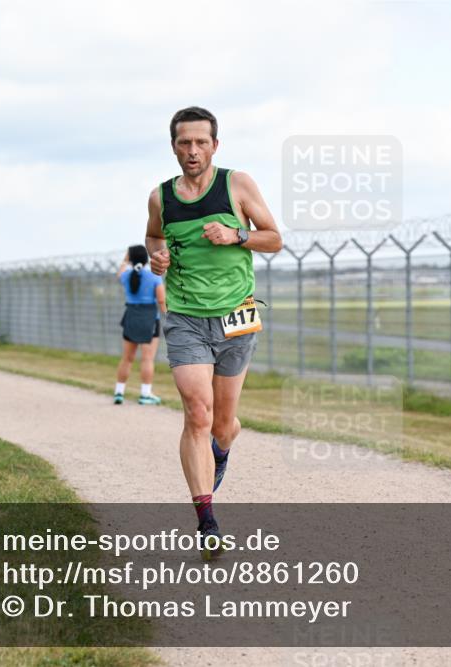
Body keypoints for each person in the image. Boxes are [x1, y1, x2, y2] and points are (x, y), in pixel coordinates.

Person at [146, 106, 282, 557]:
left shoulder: (236, 185)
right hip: (184, 316)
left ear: (214, 146)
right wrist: (158, 257)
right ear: (173, 147)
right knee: (197, 414)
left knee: (223, 425)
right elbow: (154, 238)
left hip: (236, 316)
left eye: (201, 142)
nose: (192, 150)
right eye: (184, 142)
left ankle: (220, 452)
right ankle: (206, 521)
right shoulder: (160, 198)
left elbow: (274, 239)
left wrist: (236, 235)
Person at [115, 245, 166, 405]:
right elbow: (161, 300)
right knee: (147, 359)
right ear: (146, 258)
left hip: (130, 316)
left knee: (127, 358)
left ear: (130, 258)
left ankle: (119, 392)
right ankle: (145, 394)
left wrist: (125, 260)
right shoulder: (154, 276)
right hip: (149, 318)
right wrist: (168, 314)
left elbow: (120, 273)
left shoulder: (127, 276)